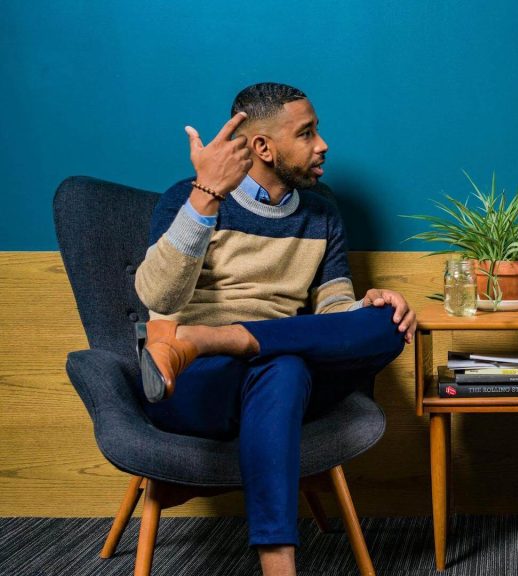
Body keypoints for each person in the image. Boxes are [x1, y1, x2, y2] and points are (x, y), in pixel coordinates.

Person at [134, 82, 417, 576]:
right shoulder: (188, 198)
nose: (322, 144)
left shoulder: (322, 214)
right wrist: (205, 199)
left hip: (253, 367)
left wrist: (363, 309)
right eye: (306, 133)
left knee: (389, 323)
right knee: (285, 364)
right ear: (263, 147)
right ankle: (280, 568)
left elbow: (331, 306)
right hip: (194, 381)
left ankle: (214, 339)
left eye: (317, 131)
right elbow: (157, 298)